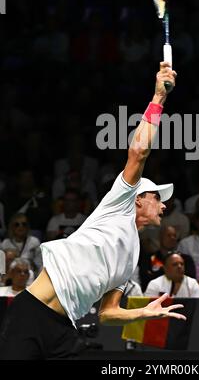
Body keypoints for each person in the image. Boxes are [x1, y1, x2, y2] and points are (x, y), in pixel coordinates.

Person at [0, 61, 184, 360]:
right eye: (156, 196)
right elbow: (139, 152)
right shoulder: (117, 206)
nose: (163, 204)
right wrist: (158, 98)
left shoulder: (131, 258)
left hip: (64, 329)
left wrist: (142, 314)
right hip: (30, 314)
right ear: (137, 198)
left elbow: (108, 313)